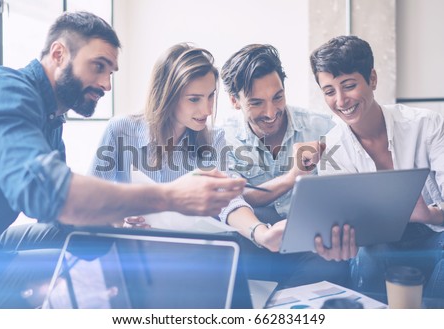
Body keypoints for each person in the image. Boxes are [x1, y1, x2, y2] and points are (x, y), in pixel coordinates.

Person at [0, 12, 245, 308]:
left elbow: (63, 219)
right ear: (59, 53)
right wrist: (170, 197)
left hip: (1, 245)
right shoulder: (6, 90)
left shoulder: (52, 119)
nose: (106, 84)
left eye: (110, 72)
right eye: (98, 67)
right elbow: (48, 193)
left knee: (100, 250)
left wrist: (120, 222)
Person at [89, 42, 288, 252]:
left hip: (193, 253)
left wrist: (261, 233)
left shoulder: (214, 138)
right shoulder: (120, 130)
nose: (207, 109)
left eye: (211, 96)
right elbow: (90, 201)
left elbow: (228, 201)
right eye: (194, 99)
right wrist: (117, 221)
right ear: (168, 95)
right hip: (135, 254)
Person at [310, 35, 444, 300]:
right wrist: (338, 240)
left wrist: (427, 215)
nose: (340, 100)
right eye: (329, 91)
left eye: (348, 86)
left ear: (372, 79)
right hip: (375, 246)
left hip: (434, 236)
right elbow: (346, 226)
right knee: (370, 254)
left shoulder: (427, 125)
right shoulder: (332, 147)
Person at [220, 44, 349, 287]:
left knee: (332, 264)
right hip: (254, 242)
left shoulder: (323, 128)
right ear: (235, 101)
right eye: (257, 103)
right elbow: (232, 198)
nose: (271, 112)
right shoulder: (223, 138)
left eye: (277, 97)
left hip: (312, 246)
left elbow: (347, 191)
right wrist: (292, 178)